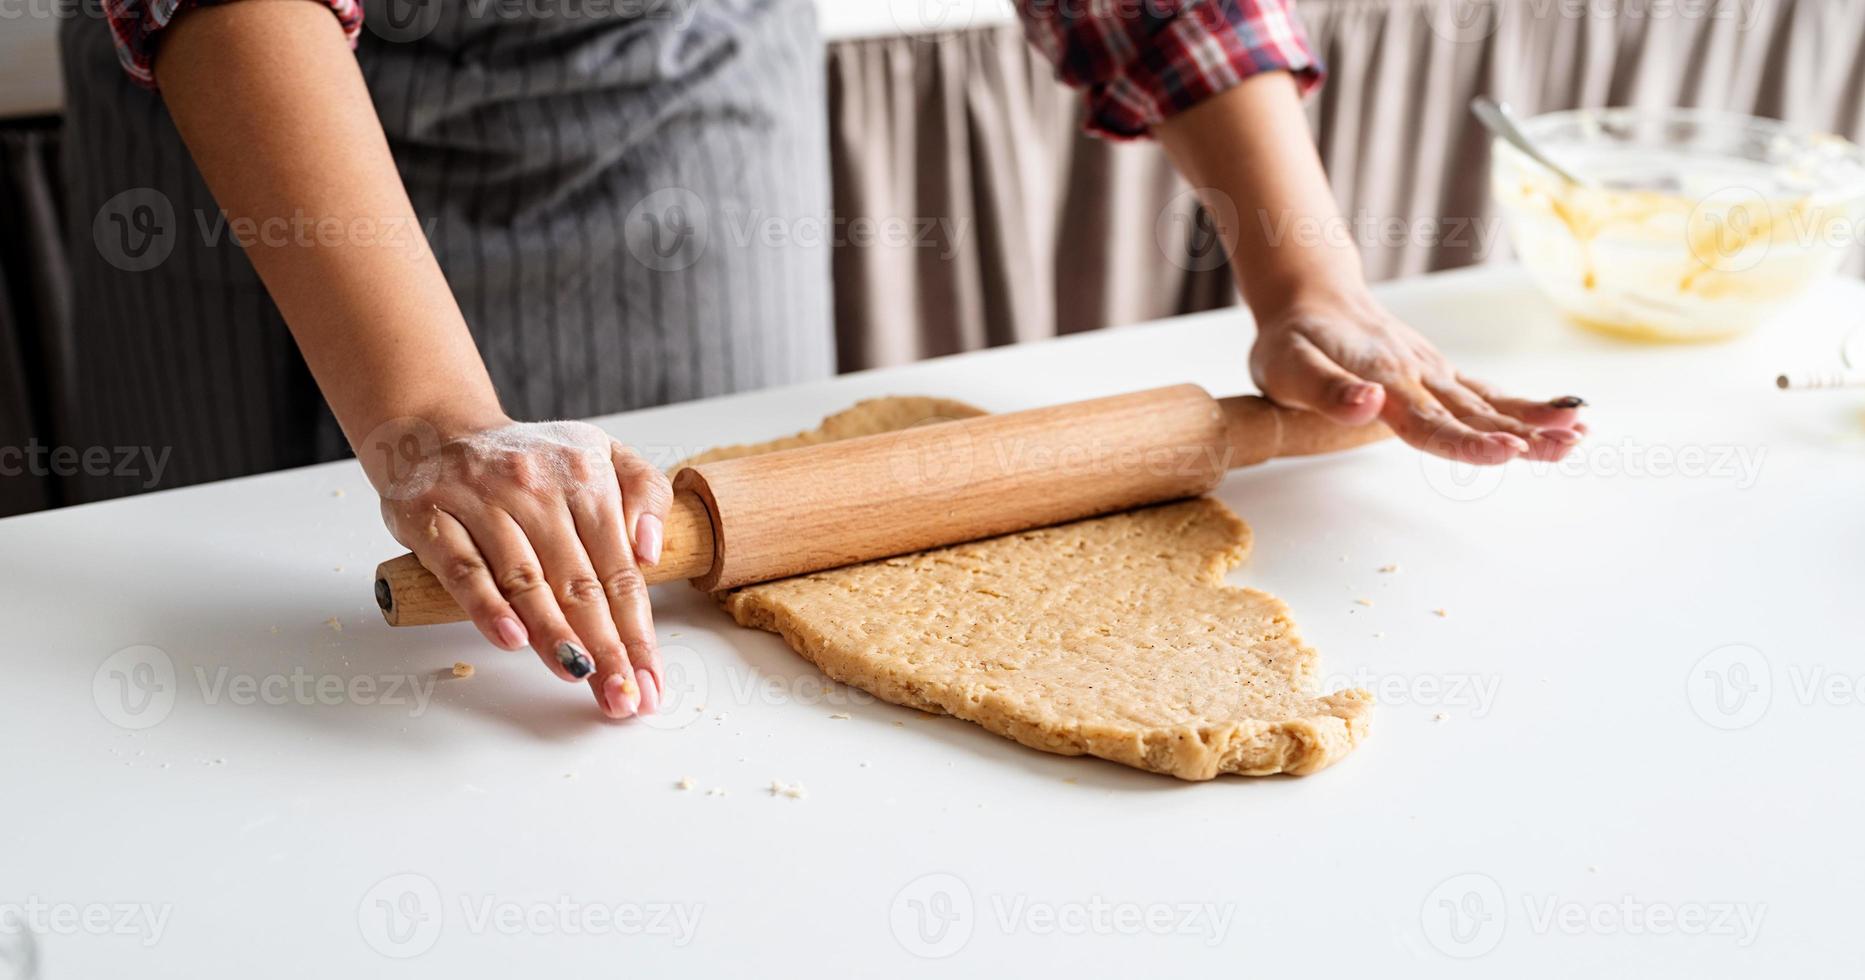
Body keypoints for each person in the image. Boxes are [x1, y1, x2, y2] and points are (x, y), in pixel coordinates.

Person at [64, 0, 1585, 720]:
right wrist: (426, 418)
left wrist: (1305, 272)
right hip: (240, 95)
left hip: (653, 81)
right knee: (223, 650)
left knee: (705, 605)